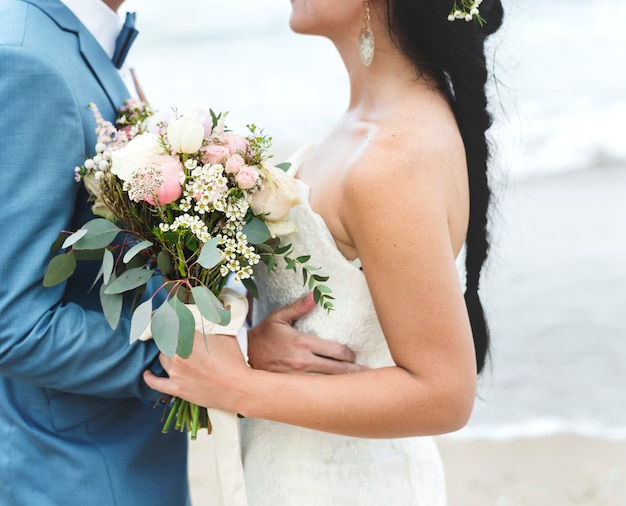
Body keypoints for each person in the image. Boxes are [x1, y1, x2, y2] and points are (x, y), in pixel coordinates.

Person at [144, 0, 505, 504]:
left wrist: (237, 386)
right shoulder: (372, 122)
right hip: (297, 472)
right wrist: (253, 347)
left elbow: (445, 395)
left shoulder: (393, 157)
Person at [0, 1, 360, 503]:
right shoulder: (26, 60)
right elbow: (13, 324)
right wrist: (223, 354)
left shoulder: (74, 40)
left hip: (126, 454)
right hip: (74, 471)